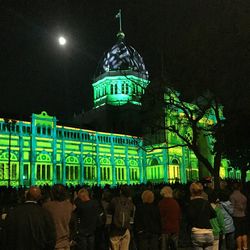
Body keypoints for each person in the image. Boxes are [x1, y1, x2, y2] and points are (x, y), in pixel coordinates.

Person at [43, 184, 75, 250]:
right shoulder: (69, 205)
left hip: (54, 243)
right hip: (65, 242)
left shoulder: (47, 206)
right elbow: (72, 224)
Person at [187, 182, 216, 250]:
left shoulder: (191, 204)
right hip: (208, 231)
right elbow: (214, 214)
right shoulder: (206, 202)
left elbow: (189, 217)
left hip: (197, 232)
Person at [108, 185, 135, 250]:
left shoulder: (114, 200)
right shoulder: (130, 203)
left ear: (120, 192)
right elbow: (132, 218)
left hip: (115, 230)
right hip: (125, 230)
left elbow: (109, 214)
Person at [230, 182, 248, 250]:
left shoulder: (232, 196)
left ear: (232, 188)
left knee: (238, 233)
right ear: (240, 188)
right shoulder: (244, 197)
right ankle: (245, 247)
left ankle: (239, 248)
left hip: (236, 216)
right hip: (243, 216)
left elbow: (231, 208)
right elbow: (245, 208)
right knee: (244, 232)